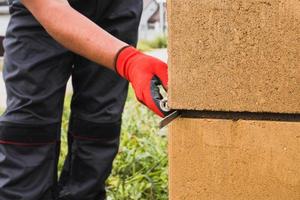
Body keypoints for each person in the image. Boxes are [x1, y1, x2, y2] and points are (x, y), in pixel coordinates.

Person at [0, 0, 168, 199]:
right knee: (30, 127)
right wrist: (128, 61)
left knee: (99, 124)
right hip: (40, 14)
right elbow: (49, 7)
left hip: (117, 7)